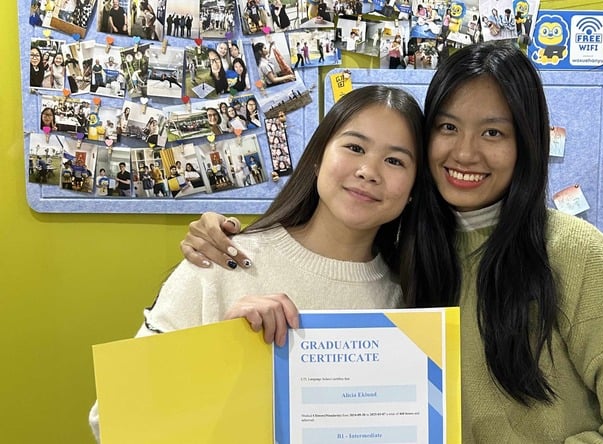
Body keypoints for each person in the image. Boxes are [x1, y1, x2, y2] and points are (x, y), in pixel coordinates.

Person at [177, 42, 603, 442]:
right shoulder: (408, 256)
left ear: (527, 144)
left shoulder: (572, 251)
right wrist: (222, 321)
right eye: (448, 127)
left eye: (493, 133)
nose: (465, 153)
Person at [87, 85, 424, 440]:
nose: (369, 171)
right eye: (354, 147)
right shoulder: (221, 260)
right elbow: (110, 421)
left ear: (414, 189)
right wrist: (222, 350)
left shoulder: (408, 301)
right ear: (317, 158)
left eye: (395, 161)